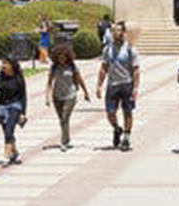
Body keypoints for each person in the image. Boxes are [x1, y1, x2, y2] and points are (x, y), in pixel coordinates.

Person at [97, 22, 141, 151]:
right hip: (112, 85)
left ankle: (126, 137)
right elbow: (104, 67)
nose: (116, 33)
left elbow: (136, 70)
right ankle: (117, 128)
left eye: (118, 31)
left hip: (126, 84)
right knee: (110, 113)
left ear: (123, 33)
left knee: (127, 112)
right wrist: (99, 85)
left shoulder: (130, 49)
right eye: (113, 31)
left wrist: (136, 88)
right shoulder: (107, 49)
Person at [45, 45, 90, 151]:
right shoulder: (54, 67)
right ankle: (67, 138)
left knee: (65, 116)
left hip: (70, 95)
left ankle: (64, 142)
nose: (62, 58)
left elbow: (80, 79)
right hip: (57, 96)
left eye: (64, 56)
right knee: (62, 120)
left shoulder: (72, 66)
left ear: (68, 56)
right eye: (59, 56)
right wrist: (47, 96)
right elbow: (49, 82)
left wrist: (86, 92)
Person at [0, 55, 28, 165]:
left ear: (12, 65)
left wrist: (23, 113)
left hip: (15, 105)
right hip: (2, 106)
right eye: (2, 63)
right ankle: (14, 152)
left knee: (9, 129)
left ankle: (6, 153)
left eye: (6, 63)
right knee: (6, 131)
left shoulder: (18, 77)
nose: (3, 66)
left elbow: (23, 96)